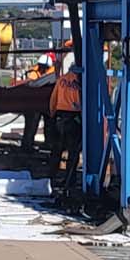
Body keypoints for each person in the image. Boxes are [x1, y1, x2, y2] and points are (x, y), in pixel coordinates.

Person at [48, 53, 82, 186]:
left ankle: (51, 176)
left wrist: (52, 115)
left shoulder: (61, 80)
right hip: (74, 118)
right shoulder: (80, 82)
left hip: (60, 117)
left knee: (57, 150)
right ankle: (69, 179)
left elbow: (53, 99)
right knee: (73, 152)